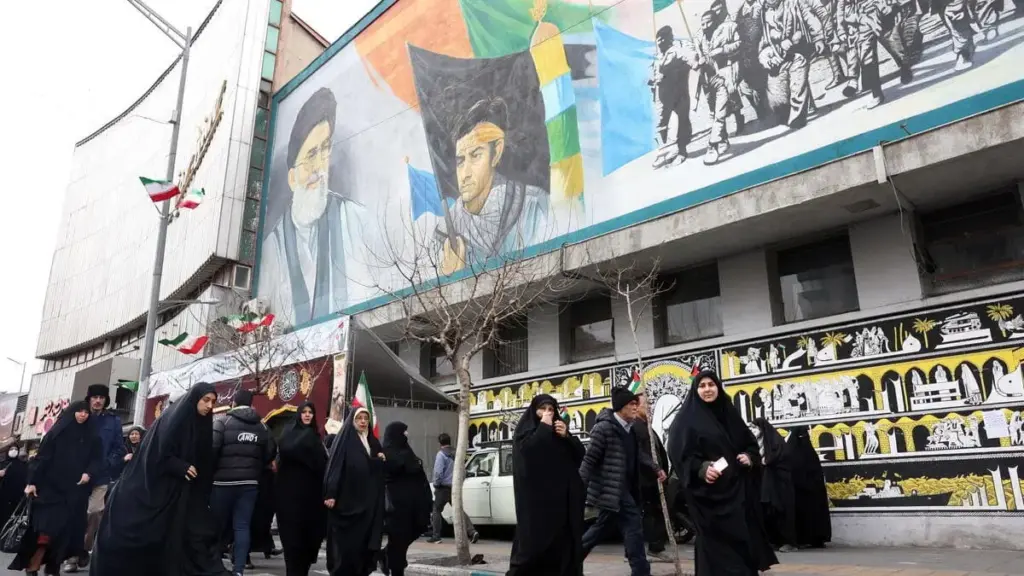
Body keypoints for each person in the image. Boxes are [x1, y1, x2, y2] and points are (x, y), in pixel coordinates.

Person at [89, 383, 226, 576]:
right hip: (152, 490)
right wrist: (181, 466)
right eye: (206, 400)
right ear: (194, 400)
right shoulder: (173, 421)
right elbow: (158, 454)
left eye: (213, 401)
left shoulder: (200, 423)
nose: (210, 406)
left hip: (180, 493)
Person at [260, 86, 361, 325]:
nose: (319, 167)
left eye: (324, 150)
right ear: (292, 178)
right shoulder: (271, 250)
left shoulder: (355, 220)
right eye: (311, 156)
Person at [667, 371, 778, 575]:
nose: (707, 389)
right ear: (695, 390)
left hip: (737, 494)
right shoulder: (686, 420)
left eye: (711, 384)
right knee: (715, 547)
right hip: (708, 499)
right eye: (702, 386)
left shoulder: (729, 413)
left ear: (718, 387)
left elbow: (749, 443)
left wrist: (749, 457)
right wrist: (701, 469)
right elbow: (679, 453)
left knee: (741, 541)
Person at [437, 97, 549, 275]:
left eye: (475, 156)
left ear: (496, 152)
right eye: (460, 161)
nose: (465, 173)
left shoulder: (532, 206)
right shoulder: (443, 232)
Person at [580, 387, 666, 576]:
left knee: (601, 528)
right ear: (620, 407)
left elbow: (639, 454)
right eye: (632, 404)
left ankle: (571, 557)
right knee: (634, 526)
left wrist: (655, 468)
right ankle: (641, 571)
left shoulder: (630, 429)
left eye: (637, 404)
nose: (636, 408)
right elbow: (589, 460)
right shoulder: (604, 429)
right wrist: (579, 488)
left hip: (625, 489)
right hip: (611, 490)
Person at [9, 402, 98, 576]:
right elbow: (41, 459)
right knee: (45, 532)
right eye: (79, 411)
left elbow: (97, 459)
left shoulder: (91, 436)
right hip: (49, 490)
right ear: (72, 413)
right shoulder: (57, 433)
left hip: (74, 492)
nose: (83, 414)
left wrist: (89, 473)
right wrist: (32, 482)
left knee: (62, 534)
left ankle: (53, 568)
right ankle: (33, 566)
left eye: (86, 412)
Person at [507, 394, 585, 576]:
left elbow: (580, 455)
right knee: (532, 550)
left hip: (561, 505)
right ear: (534, 411)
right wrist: (543, 426)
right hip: (537, 507)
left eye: (551, 409)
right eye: (542, 409)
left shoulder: (559, 434)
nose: (547, 413)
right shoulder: (524, 433)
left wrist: (567, 436)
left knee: (563, 550)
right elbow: (530, 452)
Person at [211, 389, 275, 576]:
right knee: (242, 526)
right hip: (249, 484)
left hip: (222, 483)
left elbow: (212, 449)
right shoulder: (262, 427)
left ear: (233, 402)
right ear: (251, 403)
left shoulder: (223, 422)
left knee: (216, 525)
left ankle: (213, 565)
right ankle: (238, 569)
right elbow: (270, 452)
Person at [62, 385, 125, 573]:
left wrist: (107, 463)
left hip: (101, 476)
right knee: (74, 515)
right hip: (77, 476)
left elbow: (119, 448)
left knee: (94, 512)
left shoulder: (113, 421)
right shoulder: (79, 416)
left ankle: (82, 550)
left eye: (101, 397)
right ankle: (72, 555)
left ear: (106, 400)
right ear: (89, 399)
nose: (98, 401)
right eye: (94, 397)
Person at [323, 407, 386, 576]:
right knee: (346, 544)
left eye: (366, 418)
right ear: (352, 421)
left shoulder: (372, 442)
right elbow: (335, 467)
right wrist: (331, 493)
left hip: (367, 503)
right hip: (347, 501)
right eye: (359, 418)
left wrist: (379, 459)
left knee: (363, 543)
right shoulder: (344, 441)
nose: (363, 422)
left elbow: (371, 466)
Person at [275, 402, 328, 576]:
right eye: (304, 412)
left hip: (311, 498)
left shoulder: (314, 437)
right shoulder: (292, 435)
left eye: (310, 412)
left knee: (307, 540)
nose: (307, 415)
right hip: (290, 496)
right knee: (293, 540)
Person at [759, 0, 826, 129]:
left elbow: (810, 17)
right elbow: (764, 35)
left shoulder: (794, 2)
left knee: (798, 80)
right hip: (779, 53)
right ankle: (806, 106)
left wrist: (818, 38)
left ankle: (798, 117)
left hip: (799, 47)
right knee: (777, 97)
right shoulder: (764, 10)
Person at [380, 421, 432, 576]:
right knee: (399, 540)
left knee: (414, 531)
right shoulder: (386, 454)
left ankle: (386, 555)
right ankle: (396, 569)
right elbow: (392, 470)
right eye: (403, 432)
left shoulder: (406, 450)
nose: (406, 435)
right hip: (397, 507)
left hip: (414, 505)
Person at [650, 26, 700, 168]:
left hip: (679, 93)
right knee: (660, 125)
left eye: (662, 39)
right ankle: (664, 152)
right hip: (662, 96)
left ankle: (682, 152)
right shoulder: (658, 57)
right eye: (657, 40)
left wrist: (695, 61)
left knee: (682, 122)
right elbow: (654, 74)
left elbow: (691, 61)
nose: (659, 43)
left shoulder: (678, 51)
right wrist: (652, 79)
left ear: (669, 39)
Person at [635, 393, 672, 563]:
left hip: (655, 477)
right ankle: (651, 549)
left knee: (656, 512)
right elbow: (640, 454)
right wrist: (654, 468)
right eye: (646, 403)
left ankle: (653, 547)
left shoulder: (646, 426)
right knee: (649, 513)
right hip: (645, 479)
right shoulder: (636, 427)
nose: (649, 406)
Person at [751, 418, 797, 552]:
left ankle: (789, 542)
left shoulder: (776, 442)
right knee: (768, 512)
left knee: (782, 511)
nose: (752, 431)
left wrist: (767, 462)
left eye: (755, 428)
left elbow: (781, 460)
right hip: (764, 484)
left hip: (779, 484)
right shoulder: (757, 444)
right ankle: (774, 540)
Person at [784, 426, 831, 548]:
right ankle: (816, 539)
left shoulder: (791, 452)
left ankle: (806, 539)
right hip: (809, 492)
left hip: (800, 492)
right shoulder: (810, 453)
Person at [428, 433, 479, 544]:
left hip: (443, 488)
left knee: (436, 510)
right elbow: (463, 470)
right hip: (455, 487)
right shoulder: (457, 453)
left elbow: (438, 472)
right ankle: (472, 531)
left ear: (440, 443)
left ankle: (436, 536)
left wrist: (436, 484)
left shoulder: (441, 455)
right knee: (459, 510)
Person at [0, 445, 29, 529]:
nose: (14, 451)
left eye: (16, 449)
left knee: (14, 520)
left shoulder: (23, 465)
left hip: (18, 498)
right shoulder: (2, 464)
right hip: (3, 498)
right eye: (11, 449)